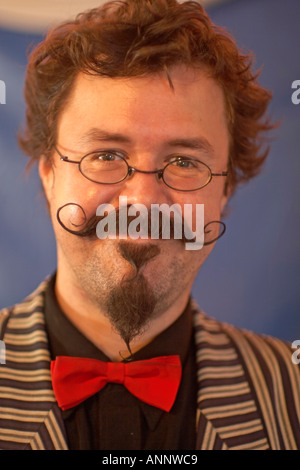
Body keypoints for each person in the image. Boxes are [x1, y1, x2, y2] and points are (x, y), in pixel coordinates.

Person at [0, 0, 299, 451]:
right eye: (104, 156)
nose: (141, 201)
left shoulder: (291, 392)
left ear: (227, 190)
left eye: (184, 162)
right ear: (48, 173)